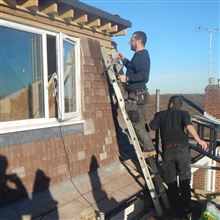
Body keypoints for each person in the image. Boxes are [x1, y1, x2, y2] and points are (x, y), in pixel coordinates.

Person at [149, 95, 208, 219]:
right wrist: (199, 140)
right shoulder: (184, 113)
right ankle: (185, 210)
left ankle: (175, 212)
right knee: (184, 180)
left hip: (168, 151)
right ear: (180, 105)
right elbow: (189, 126)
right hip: (182, 150)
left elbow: (152, 127)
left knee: (171, 182)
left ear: (170, 103)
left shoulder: (160, 114)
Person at [118, 31, 155, 154]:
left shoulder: (142, 56)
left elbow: (144, 75)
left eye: (132, 40)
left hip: (137, 96)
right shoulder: (139, 56)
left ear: (139, 42)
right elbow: (134, 68)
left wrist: (127, 78)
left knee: (137, 125)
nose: (129, 42)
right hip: (139, 94)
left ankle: (148, 147)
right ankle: (147, 145)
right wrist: (124, 61)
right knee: (139, 123)